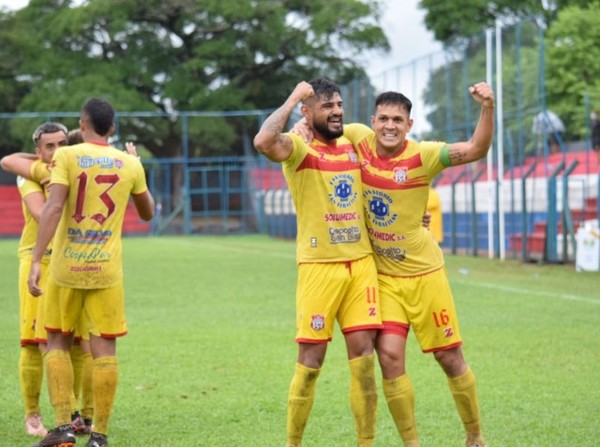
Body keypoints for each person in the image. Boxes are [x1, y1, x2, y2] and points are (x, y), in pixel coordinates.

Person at [341, 84, 494, 447]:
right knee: (390, 359)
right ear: (372, 121)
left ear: (409, 124)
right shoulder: (357, 139)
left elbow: (476, 149)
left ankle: (474, 436)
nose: (389, 126)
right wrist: (300, 128)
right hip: (386, 280)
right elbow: (322, 130)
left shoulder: (424, 155)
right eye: (383, 119)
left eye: (397, 120)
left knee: (449, 357)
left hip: (426, 276)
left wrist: (487, 107)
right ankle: (412, 444)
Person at [253, 78, 383, 447]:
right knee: (310, 364)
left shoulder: (357, 139)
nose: (337, 112)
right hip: (317, 268)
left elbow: (394, 152)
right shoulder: (297, 146)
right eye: (326, 106)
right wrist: (294, 96)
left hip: (360, 266)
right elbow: (263, 142)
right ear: (307, 113)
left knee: (364, 363)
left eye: (339, 104)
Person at [28, 97, 155, 447]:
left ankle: (61, 429)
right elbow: (147, 213)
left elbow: (54, 207)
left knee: (57, 341)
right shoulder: (128, 163)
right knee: (105, 351)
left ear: (81, 124)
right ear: (112, 128)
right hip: (106, 272)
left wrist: (37, 259)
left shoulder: (67, 156)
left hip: (67, 268)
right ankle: (99, 434)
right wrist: (137, 168)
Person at [0, 122, 68, 438]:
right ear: (39, 152)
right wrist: (45, 170)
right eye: (49, 146)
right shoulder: (30, 174)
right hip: (35, 259)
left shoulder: (73, 169)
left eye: (62, 144)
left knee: (74, 343)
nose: (56, 151)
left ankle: (72, 415)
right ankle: (32, 415)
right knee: (33, 342)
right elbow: (43, 215)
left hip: (71, 260)